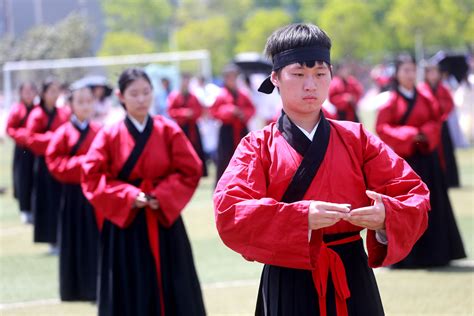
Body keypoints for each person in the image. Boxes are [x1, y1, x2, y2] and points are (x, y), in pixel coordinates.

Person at [213, 23, 430, 316]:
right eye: (299, 74)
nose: (310, 85)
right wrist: (301, 218)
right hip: (288, 276)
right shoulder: (257, 145)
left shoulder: (357, 138)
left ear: (330, 73)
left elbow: (413, 193)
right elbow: (231, 211)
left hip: (352, 273)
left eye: (319, 74)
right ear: (275, 78)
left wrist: (385, 218)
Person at [81, 68, 205, 316]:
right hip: (126, 223)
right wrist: (127, 196)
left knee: (175, 284)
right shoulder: (109, 133)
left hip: (163, 219)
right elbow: (92, 176)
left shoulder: (167, 130)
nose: (141, 99)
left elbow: (191, 169)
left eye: (146, 92)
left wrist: (162, 195)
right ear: (121, 96)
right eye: (134, 93)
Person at [376, 54, 466, 268]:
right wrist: (410, 135)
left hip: (428, 159)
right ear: (397, 74)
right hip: (404, 163)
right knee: (406, 208)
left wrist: (424, 134)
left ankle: (437, 254)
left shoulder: (426, 97)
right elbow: (383, 129)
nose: (410, 75)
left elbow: (437, 121)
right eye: (405, 70)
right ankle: (406, 256)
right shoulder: (390, 100)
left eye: (412, 70)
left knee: (432, 206)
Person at [45, 82, 101, 301]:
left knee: (96, 240)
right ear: (70, 105)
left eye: (89, 101)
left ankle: (96, 286)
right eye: (80, 101)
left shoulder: (100, 131)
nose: (86, 106)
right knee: (74, 239)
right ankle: (74, 289)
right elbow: (54, 162)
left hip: (96, 194)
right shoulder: (62, 133)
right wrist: (84, 164)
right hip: (72, 195)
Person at [25, 78, 70, 253]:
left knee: (61, 200)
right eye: (51, 91)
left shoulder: (63, 113)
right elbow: (31, 139)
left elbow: (68, 133)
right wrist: (54, 138)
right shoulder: (37, 114)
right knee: (47, 200)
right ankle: (51, 240)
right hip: (44, 165)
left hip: (60, 163)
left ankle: (63, 237)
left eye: (57, 90)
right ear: (43, 94)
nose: (55, 94)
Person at [210, 64, 255, 184]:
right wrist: (229, 111)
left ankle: (245, 183)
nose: (232, 80)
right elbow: (214, 112)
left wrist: (242, 114)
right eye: (229, 77)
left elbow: (251, 109)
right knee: (225, 158)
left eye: (234, 77)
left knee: (244, 156)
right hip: (227, 131)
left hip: (241, 129)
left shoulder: (243, 94)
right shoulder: (220, 95)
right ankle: (224, 184)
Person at [418, 61, 460, 188]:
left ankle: (450, 179)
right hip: (429, 127)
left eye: (435, 72)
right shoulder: (422, 89)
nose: (433, 75)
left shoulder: (443, 88)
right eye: (430, 72)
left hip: (442, 124)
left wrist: (441, 111)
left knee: (447, 151)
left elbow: (450, 104)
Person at [6, 82, 38, 223]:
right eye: (26, 92)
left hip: (36, 150)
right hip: (22, 150)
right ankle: (24, 209)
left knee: (36, 178)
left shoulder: (38, 110)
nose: (29, 94)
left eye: (31, 91)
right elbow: (9, 129)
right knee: (22, 179)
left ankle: (36, 208)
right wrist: (24, 136)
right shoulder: (17, 110)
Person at [168, 73, 208, 176]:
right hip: (180, 128)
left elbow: (199, 111)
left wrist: (192, 114)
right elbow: (171, 111)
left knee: (195, 149)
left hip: (192, 128)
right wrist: (183, 113)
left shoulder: (193, 96)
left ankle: (197, 170)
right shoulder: (175, 96)